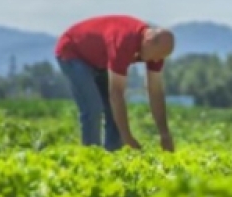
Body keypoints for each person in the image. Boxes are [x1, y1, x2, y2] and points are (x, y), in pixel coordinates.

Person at [54, 15, 176, 152]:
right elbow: (116, 93)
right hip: (73, 51)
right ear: (147, 41)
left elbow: (155, 91)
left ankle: (113, 155)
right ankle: (91, 156)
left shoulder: (156, 51)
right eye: (157, 55)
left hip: (99, 60)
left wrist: (164, 133)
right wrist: (127, 137)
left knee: (113, 111)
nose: (157, 60)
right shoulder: (123, 42)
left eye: (161, 57)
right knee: (93, 107)